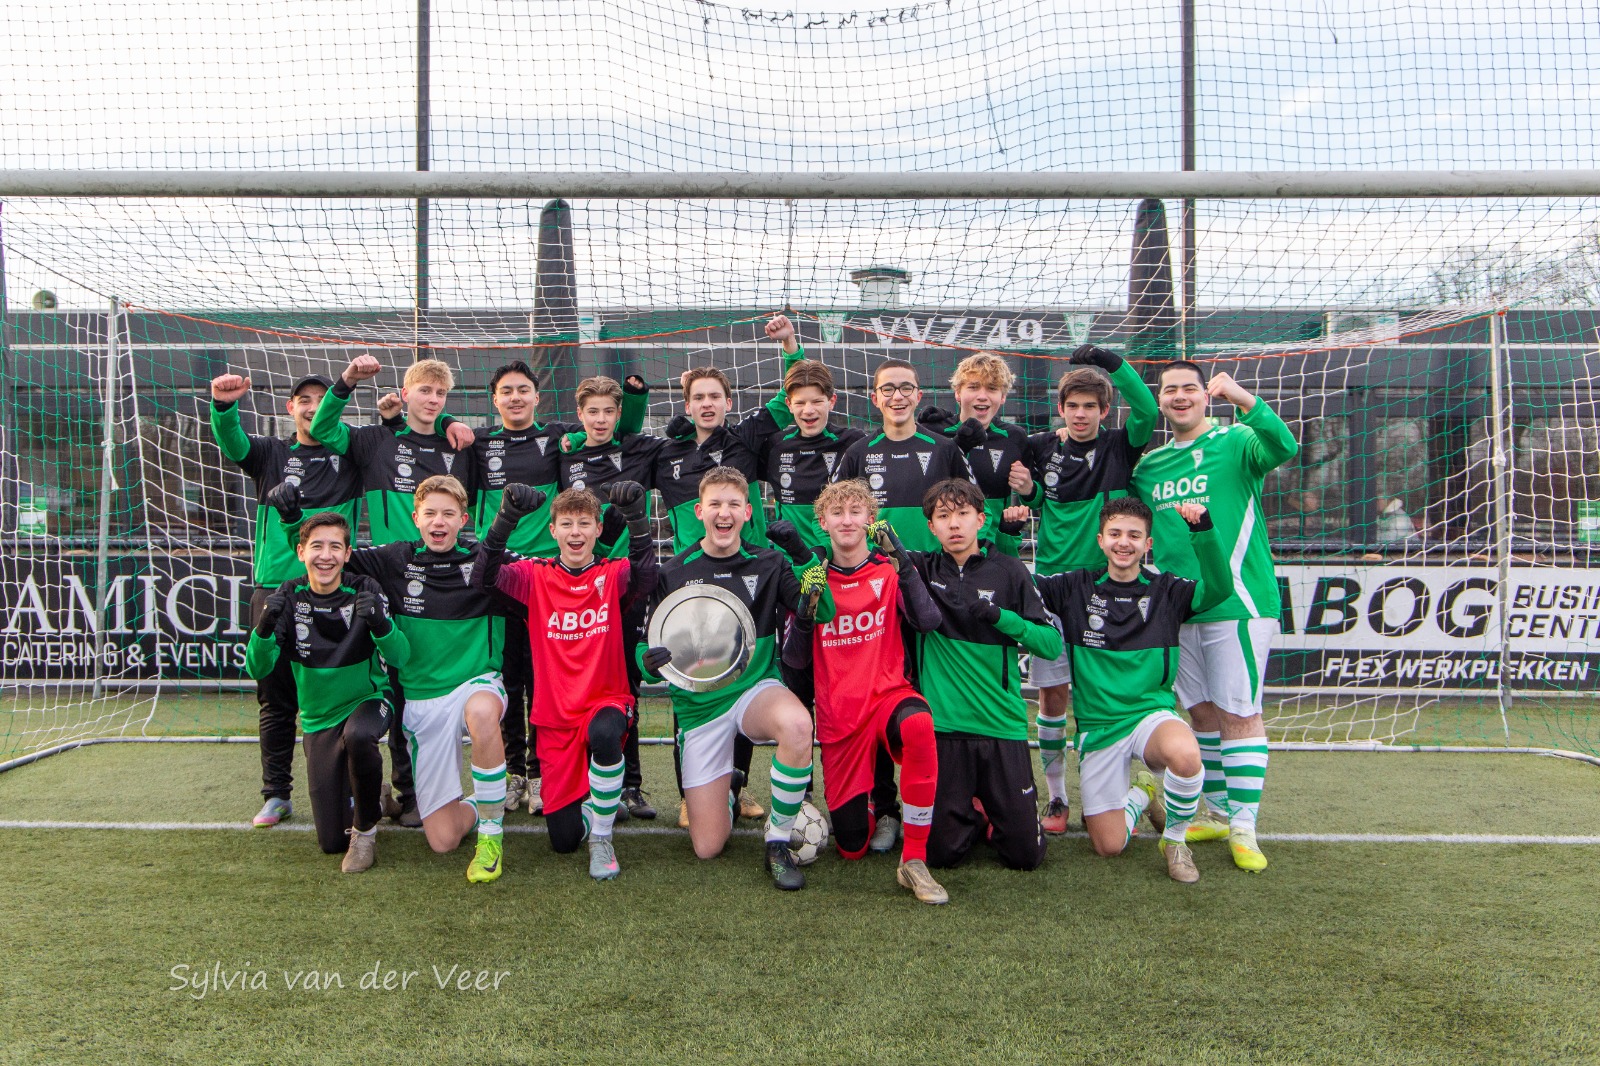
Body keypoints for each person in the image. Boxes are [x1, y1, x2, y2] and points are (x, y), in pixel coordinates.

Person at [270, 474, 512, 883]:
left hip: (476, 681)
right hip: (421, 700)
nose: (439, 521)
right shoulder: (394, 559)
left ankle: (491, 835)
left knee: (484, 712)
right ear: (415, 517)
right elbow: (326, 555)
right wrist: (293, 518)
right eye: (430, 513)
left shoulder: (488, 559)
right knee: (443, 839)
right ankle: (483, 803)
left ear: (463, 519)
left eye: (448, 514)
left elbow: (557, 567)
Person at [1129, 361, 1299, 871]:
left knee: (1239, 713)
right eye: (1169, 391)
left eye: (1189, 389)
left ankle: (1245, 825)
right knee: (1201, 712)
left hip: (1239, 604)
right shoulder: (1149, 468)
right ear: (1159, 402)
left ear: (1206, 395)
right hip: (1178, 608)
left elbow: (1285, 447)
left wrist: (1243, 398)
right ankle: (1220, 811)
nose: (1179, 397)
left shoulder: (1238, 441)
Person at [638, 467, 834, 890]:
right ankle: (729, 790)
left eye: (732, 505)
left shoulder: (769, 561)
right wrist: (646, 661)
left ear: (748, 512)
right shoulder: (673, 571)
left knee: (799, 725)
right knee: (708, 847)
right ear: (699, 511)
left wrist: (804, 556)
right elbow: (645, 642)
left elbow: (824, 610)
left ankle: (778, 843)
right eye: (715, 505)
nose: (723, 513)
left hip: (754, 689)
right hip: (700, 708)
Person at [469, 360, 645, 819]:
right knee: (512, 678)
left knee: (573, 679)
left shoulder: (558, 437)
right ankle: (516, 775)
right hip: (508, 575)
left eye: (523, 389)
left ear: (537, 396)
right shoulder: (479, 442)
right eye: (506, 390)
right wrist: (447, 421)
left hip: (555, 579)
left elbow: (610, 421)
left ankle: (574, 777)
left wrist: (637, 395)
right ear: (494, 398)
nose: (515, 397)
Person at [306, 355, 476, 828]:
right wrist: (346, 381)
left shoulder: (456, 443)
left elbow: (470, 508)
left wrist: (449, 421)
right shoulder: (376, 439)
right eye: (424, 391)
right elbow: (322, 428)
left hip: (440, 579)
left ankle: (436, 790)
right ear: (405, 395)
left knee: (425, 684)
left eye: (440, 394)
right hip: (386, 577)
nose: (432, 400)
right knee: (395, 688)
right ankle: (403, 790)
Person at [1033, 498, 1233, 882]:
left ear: (1148, 544)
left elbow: (1220, 587)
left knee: (1186, 754)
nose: (1124, 542)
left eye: (1134, 535)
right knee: (1109, 847)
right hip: (1099, 727)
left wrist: (1203, 529)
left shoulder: (1168, 591)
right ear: (1101, 540)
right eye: (1116, 534)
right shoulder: (1073, 587)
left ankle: (1175, 841)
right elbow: (1020, 586)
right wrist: (1008, 536)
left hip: (1149, 716)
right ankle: (1142, 793)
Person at [782, 479, 948, 904]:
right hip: (840, 716)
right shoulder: (811, 576)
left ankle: (914, 860)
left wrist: (905, 564)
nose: (847, 520)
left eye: (856, 512)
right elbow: (796, 662)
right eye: (837, 513)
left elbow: (929, 620)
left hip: (887, 696)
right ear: (822, 522)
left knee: (917, 724)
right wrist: (805, 614)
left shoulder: (887, 570)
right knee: (852, 847)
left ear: (871, 519)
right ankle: (877, 807)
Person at [482, 481, 657, 881]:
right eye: (566, 523)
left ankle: (602, 837)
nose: (575, 532)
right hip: (554, 716)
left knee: (606, 734)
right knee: (562, 841)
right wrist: (506, 518)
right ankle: (596, 805)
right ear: (552, 530)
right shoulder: (533, 575)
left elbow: (647, 576)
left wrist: (636, 518)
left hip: (606, 700)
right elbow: (484, 578)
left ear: (598, 529)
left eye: (584, 523)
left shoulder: (611, 574)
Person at [209, 371, 361, 828]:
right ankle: (276, 793)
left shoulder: (349, 451)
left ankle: (355, 791)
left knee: (344, 696)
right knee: (276, 699)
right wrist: (223, 406)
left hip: (336, 594)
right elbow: (232, 440)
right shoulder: (272, 453)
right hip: (276, 589)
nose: (313, 406)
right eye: (303, 400)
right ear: (289, 409)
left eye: (320, 399)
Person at [1021, 344, 1159, 835]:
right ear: (1060, 409)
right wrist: (1027, 493)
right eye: (1072, 406)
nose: (1080, 415)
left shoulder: (1122, 446)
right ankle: (1056, 797)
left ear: (1104, 411)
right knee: (1051, 695)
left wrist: (1110, 362)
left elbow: (1147, 407)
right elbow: (1036, 497)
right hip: (1052, 589)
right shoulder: (1041, 447)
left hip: (1108, 590)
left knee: (1100, 697)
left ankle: (1125, 791)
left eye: (1090, 407)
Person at [905, 479, 1062, 870]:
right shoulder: (919, 570)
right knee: (941, 855)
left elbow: (1051, 644)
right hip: (945, 728)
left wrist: (1003, 618)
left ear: (981, 519)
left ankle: (995, 814)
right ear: (931, 527)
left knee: (1025, 857)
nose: (954, 524)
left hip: (1001, 727)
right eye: (943, 516)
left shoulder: (1009, 571)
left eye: (962, 514)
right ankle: (971, 811)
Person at [244, 513, 410, 872]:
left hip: (367, 702)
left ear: (347, 553)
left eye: (335, 546)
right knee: (332, 842)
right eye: (317, 546)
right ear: (301, 551)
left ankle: (365, 834)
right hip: (319, 719)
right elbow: (258, 669)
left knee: (359, 735)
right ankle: (377, 798)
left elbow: (401, 656)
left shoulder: (365, 588)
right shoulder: (288, 596)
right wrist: (265, 627)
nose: (326, 555)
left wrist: (380, 624)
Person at [557, 374, 665, 821]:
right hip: (580, 587)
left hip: (627, 585)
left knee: (627, 685)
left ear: (620, 416)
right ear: (579, 415)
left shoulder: (640, 449)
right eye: (592, 412)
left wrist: (640, 393)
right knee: (580, 684)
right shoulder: (564, 452)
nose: (600, 419)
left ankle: (631, 786)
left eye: (609, 411)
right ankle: (583, 780)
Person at [834, 359, 976, 553]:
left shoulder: (945, 449)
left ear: (918, 396)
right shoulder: (857, 453)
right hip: (877, 569)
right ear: (875, 399)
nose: (898, 396)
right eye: (888, 389)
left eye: (906, 388)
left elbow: (979, 508)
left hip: (934, 567)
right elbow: (829, 511)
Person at [918, 351, 1037, 556]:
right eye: (973, 387)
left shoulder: (1015, 437)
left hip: (991, 551)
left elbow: (1035, 500)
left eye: (992, 388)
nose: (982, 395)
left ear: (1003, 396)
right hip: (938, 551)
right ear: (957, 393)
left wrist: (1029, 489)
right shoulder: (933, 432)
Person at [757, 359, 865, 549]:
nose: (808, 410)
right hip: (789, 563)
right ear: (789, 405)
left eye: (816, 401)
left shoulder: (852, 442)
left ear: (831, 401)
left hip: (839, 559)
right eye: (800, 402)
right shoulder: (776, 445)